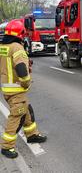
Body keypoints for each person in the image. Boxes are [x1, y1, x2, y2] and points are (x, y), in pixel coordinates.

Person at [0, 19, 47, 159]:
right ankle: (7, 146)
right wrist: (26, 82)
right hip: (16, 89)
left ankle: (32, 135)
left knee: (27, 110)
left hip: (7, 88)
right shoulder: (17, 47)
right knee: (17, 115)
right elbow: (21, 68)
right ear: (20, 33)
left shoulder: (3, 46)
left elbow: (8, 63)